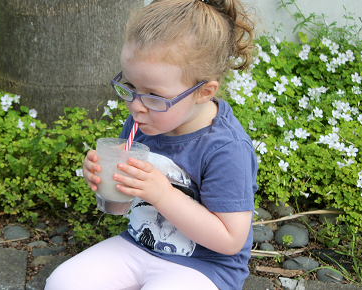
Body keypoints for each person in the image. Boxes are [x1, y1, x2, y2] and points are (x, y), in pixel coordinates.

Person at [45, 0, 257, 289]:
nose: (136, 106)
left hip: (205, 267)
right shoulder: (143, 121)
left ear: (204, 91)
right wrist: (105, 180)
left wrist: (162, 194)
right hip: (138, 245)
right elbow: (123, 209)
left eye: (154, 95)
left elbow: (230, 240)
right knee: (63, 283)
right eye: (130, 88)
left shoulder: (226, 148)